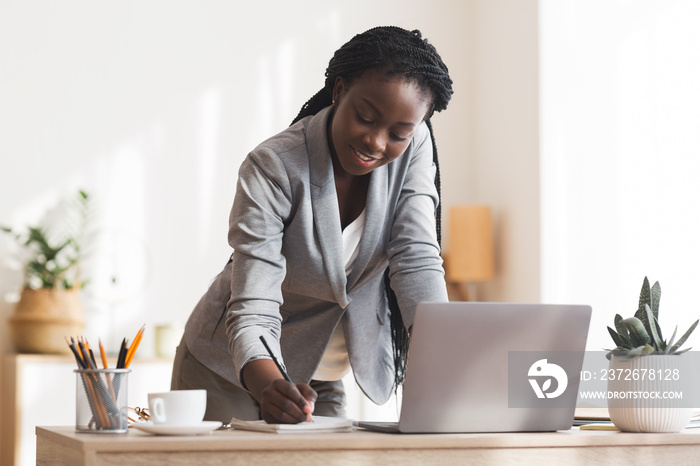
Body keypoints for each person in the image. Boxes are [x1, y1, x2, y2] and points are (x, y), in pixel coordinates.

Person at [171, 26, 454, 424]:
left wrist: (448, 365)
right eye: (366, 117)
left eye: (398, 133)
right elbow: (254, 303)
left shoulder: (416, 148)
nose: (376, 141)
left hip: (322, 373)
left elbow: (416, 258)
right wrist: (269, 383)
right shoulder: (274, 166)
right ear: (339, 91)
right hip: (230, 369)